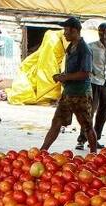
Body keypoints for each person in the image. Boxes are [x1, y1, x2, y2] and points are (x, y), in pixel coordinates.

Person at [41, 17, 97, 155]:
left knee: (87, 126)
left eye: (66, 30)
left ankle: (94, 154)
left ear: (75, 30)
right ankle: (42, 151)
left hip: (81, 94)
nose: (64, 33)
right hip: (68, 93)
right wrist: (61, 75)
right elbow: (72, 71)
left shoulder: (85, 50)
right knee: (57, 121)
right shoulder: (71, 46)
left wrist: (65, 77)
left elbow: (86, 73)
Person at [76, 22, 106, 150]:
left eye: (104, 31)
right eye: (99, 31)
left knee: (103, 113)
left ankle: (95, 139)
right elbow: (82, 59)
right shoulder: (91, 47)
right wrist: (88, 69)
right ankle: (81, 139)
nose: (101, 33)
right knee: (90, 111)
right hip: (94, 82)